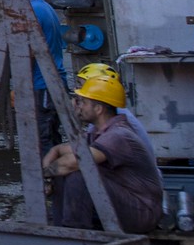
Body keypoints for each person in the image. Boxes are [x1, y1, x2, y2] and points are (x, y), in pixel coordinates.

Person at [45, 69, 162, 233]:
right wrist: (49, 175)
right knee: (68, 172)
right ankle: (61, 230)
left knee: (79, 174)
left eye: (83, 102)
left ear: (98, 109)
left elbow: (73, 163)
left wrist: (42, 175)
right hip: (127, 202)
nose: (78, 106)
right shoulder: (99, 131)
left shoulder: (119, 136)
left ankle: (75, 236)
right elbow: (58, 150)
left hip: (141, 213)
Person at [28, 0, 66, 154]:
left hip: (43, 84)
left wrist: (19, 86)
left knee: (42, 138)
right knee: (51, 135)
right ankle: (57, 176)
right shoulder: (43, 6)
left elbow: (28, 52)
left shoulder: (31, 11)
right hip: (54, 81)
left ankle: (48, 176)